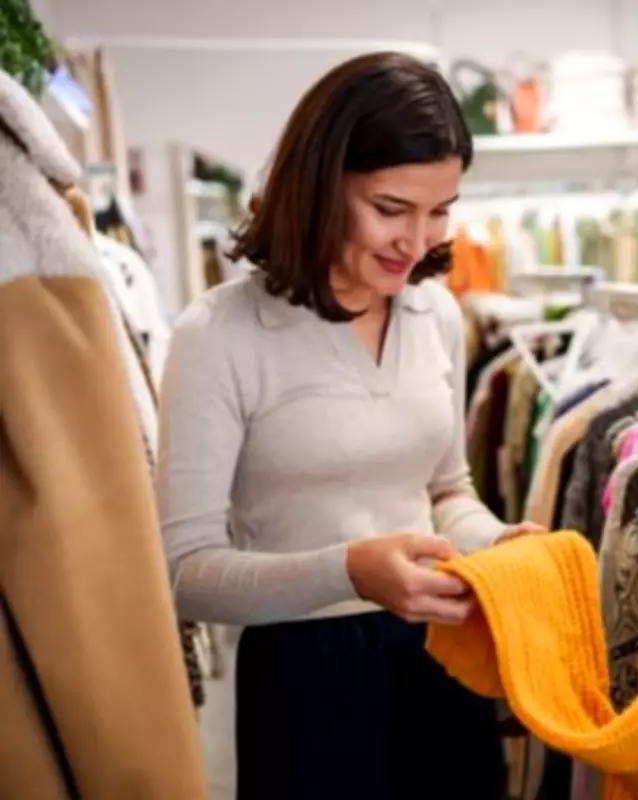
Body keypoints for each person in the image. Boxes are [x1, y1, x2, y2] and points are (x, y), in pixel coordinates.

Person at [156, 51, 537, 800]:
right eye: (391, 208)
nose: (419, 239)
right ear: (319, 184)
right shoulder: (220, 334)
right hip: (306, 684)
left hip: (442, 656)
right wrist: (349, 570)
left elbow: (444, 486)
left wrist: (497, 543)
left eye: (441, 211)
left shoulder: (435, 314)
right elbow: (184, 573)